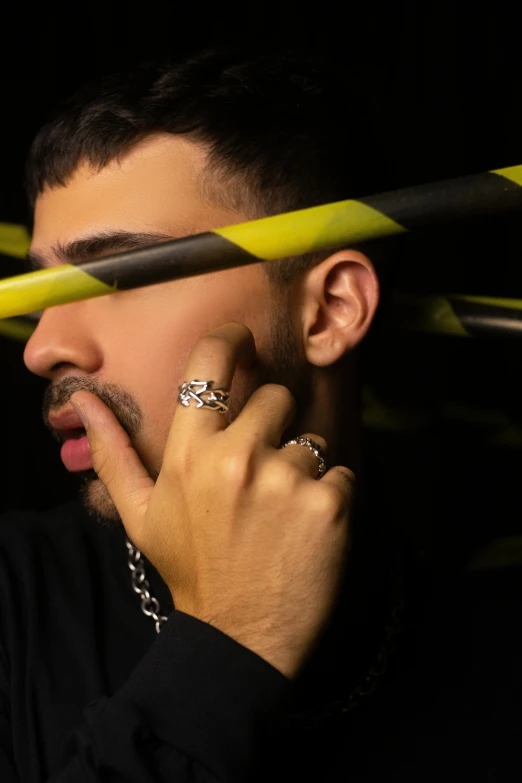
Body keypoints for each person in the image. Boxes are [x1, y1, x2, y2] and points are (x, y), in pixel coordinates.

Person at [1, 47, 518, 783]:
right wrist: (227, 641)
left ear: (331, 310)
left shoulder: (493, 650)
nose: (46, 346)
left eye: (118, 274)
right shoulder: (13, 602)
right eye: (40, 293)